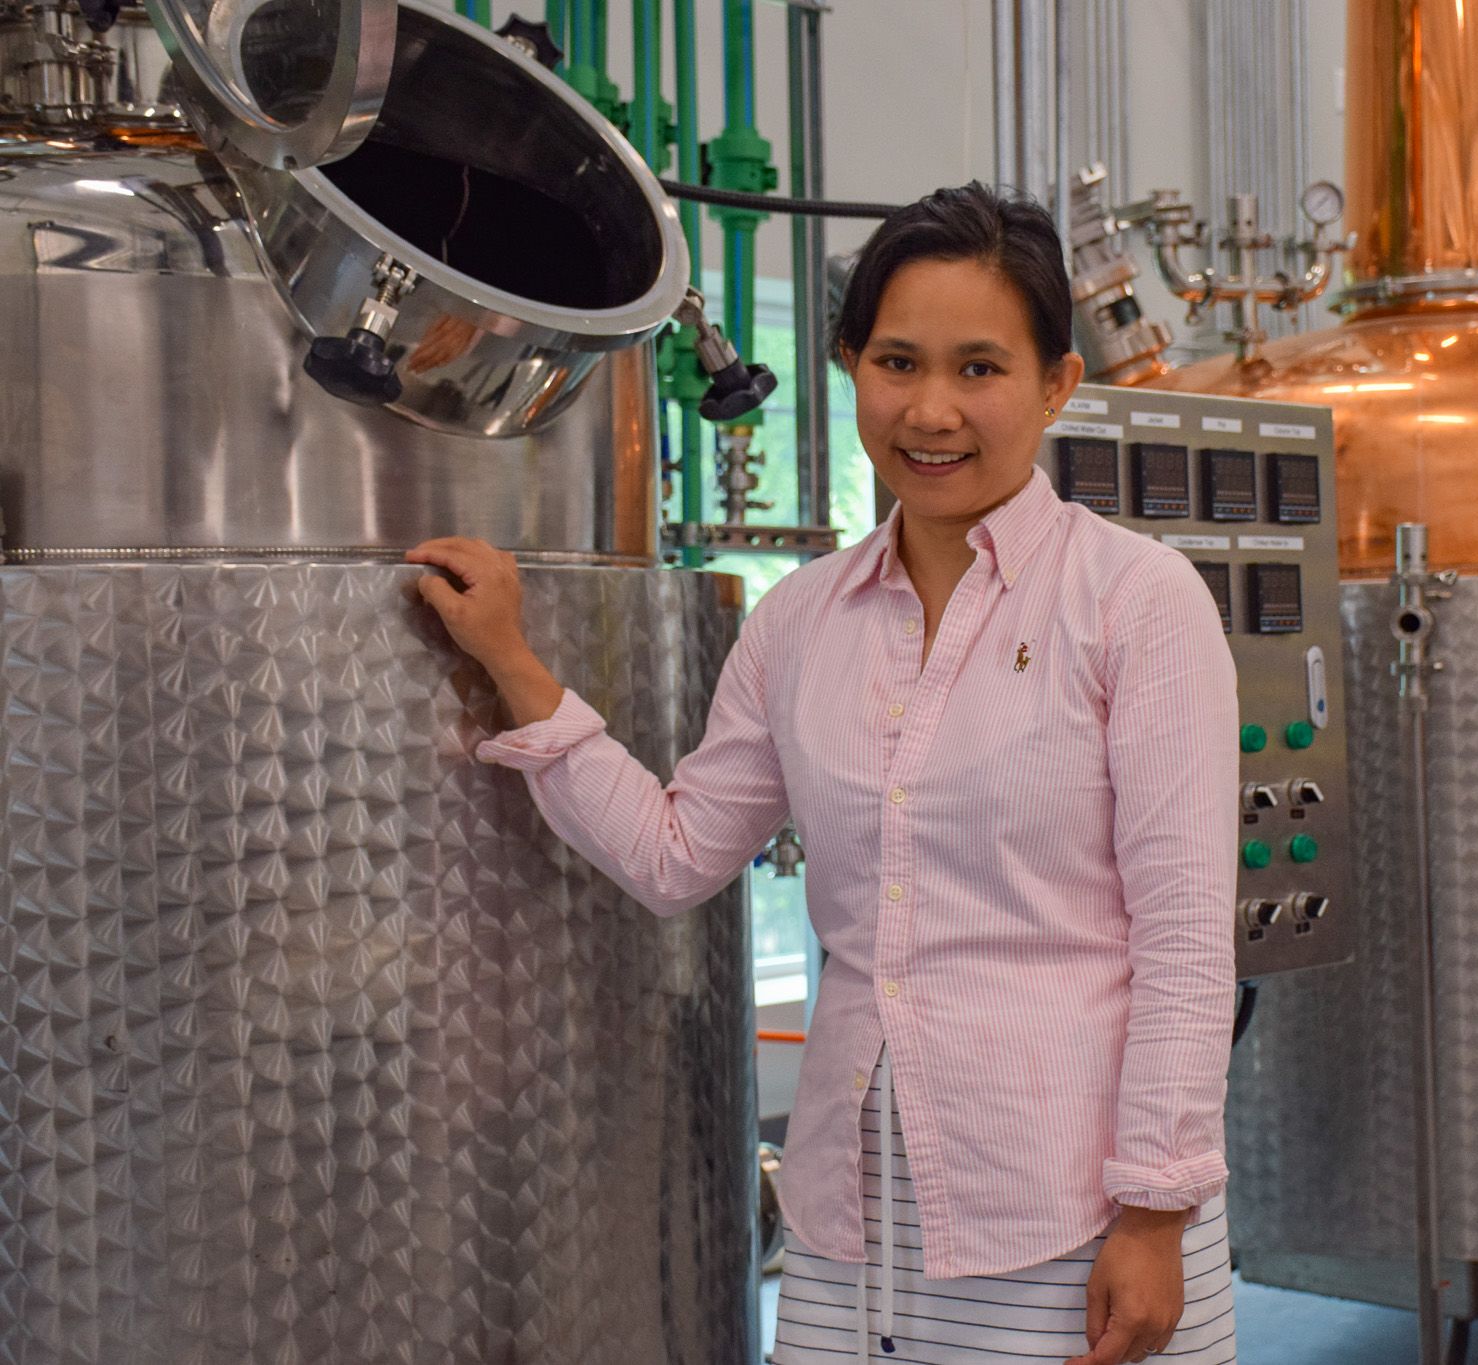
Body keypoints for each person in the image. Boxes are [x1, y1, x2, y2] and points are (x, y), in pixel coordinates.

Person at [407, 183, 1239, 1365]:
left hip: (1073, 1218)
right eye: (896, 361)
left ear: (1056, 383)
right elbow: (673, 855)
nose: (931, 410)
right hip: (856, 1230)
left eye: (980, 369)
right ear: (848, 363)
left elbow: (1187, 943)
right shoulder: (803, 622)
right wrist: (514, 668)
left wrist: (1155, 1214)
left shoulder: (1134, 604)